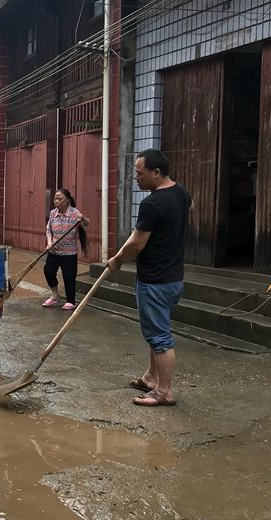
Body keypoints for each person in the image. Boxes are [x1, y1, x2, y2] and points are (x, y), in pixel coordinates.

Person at [107, 149, 191, 407]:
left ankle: (164, 392)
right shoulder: (181, 194)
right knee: (156, 331)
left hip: (155, 279)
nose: (136, 178)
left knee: (160, 337)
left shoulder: (152, 203)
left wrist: (118, 258)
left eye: (139, 173)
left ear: (156, 172)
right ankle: (151, 377)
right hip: (174, 277)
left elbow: (136, 244)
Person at [42, 188, 90, 311]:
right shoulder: (53, 213)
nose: (56, 201)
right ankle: (55, 295)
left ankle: (70, 301)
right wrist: (49, 242)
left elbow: (87, 223)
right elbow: (49, 230)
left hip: (69, 253)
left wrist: (82, 217)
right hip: (54, 251)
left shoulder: (74, 213)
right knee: (48, 271)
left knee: (69, 277)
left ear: (67, 200)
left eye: (59, 198)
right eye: (55, 198)